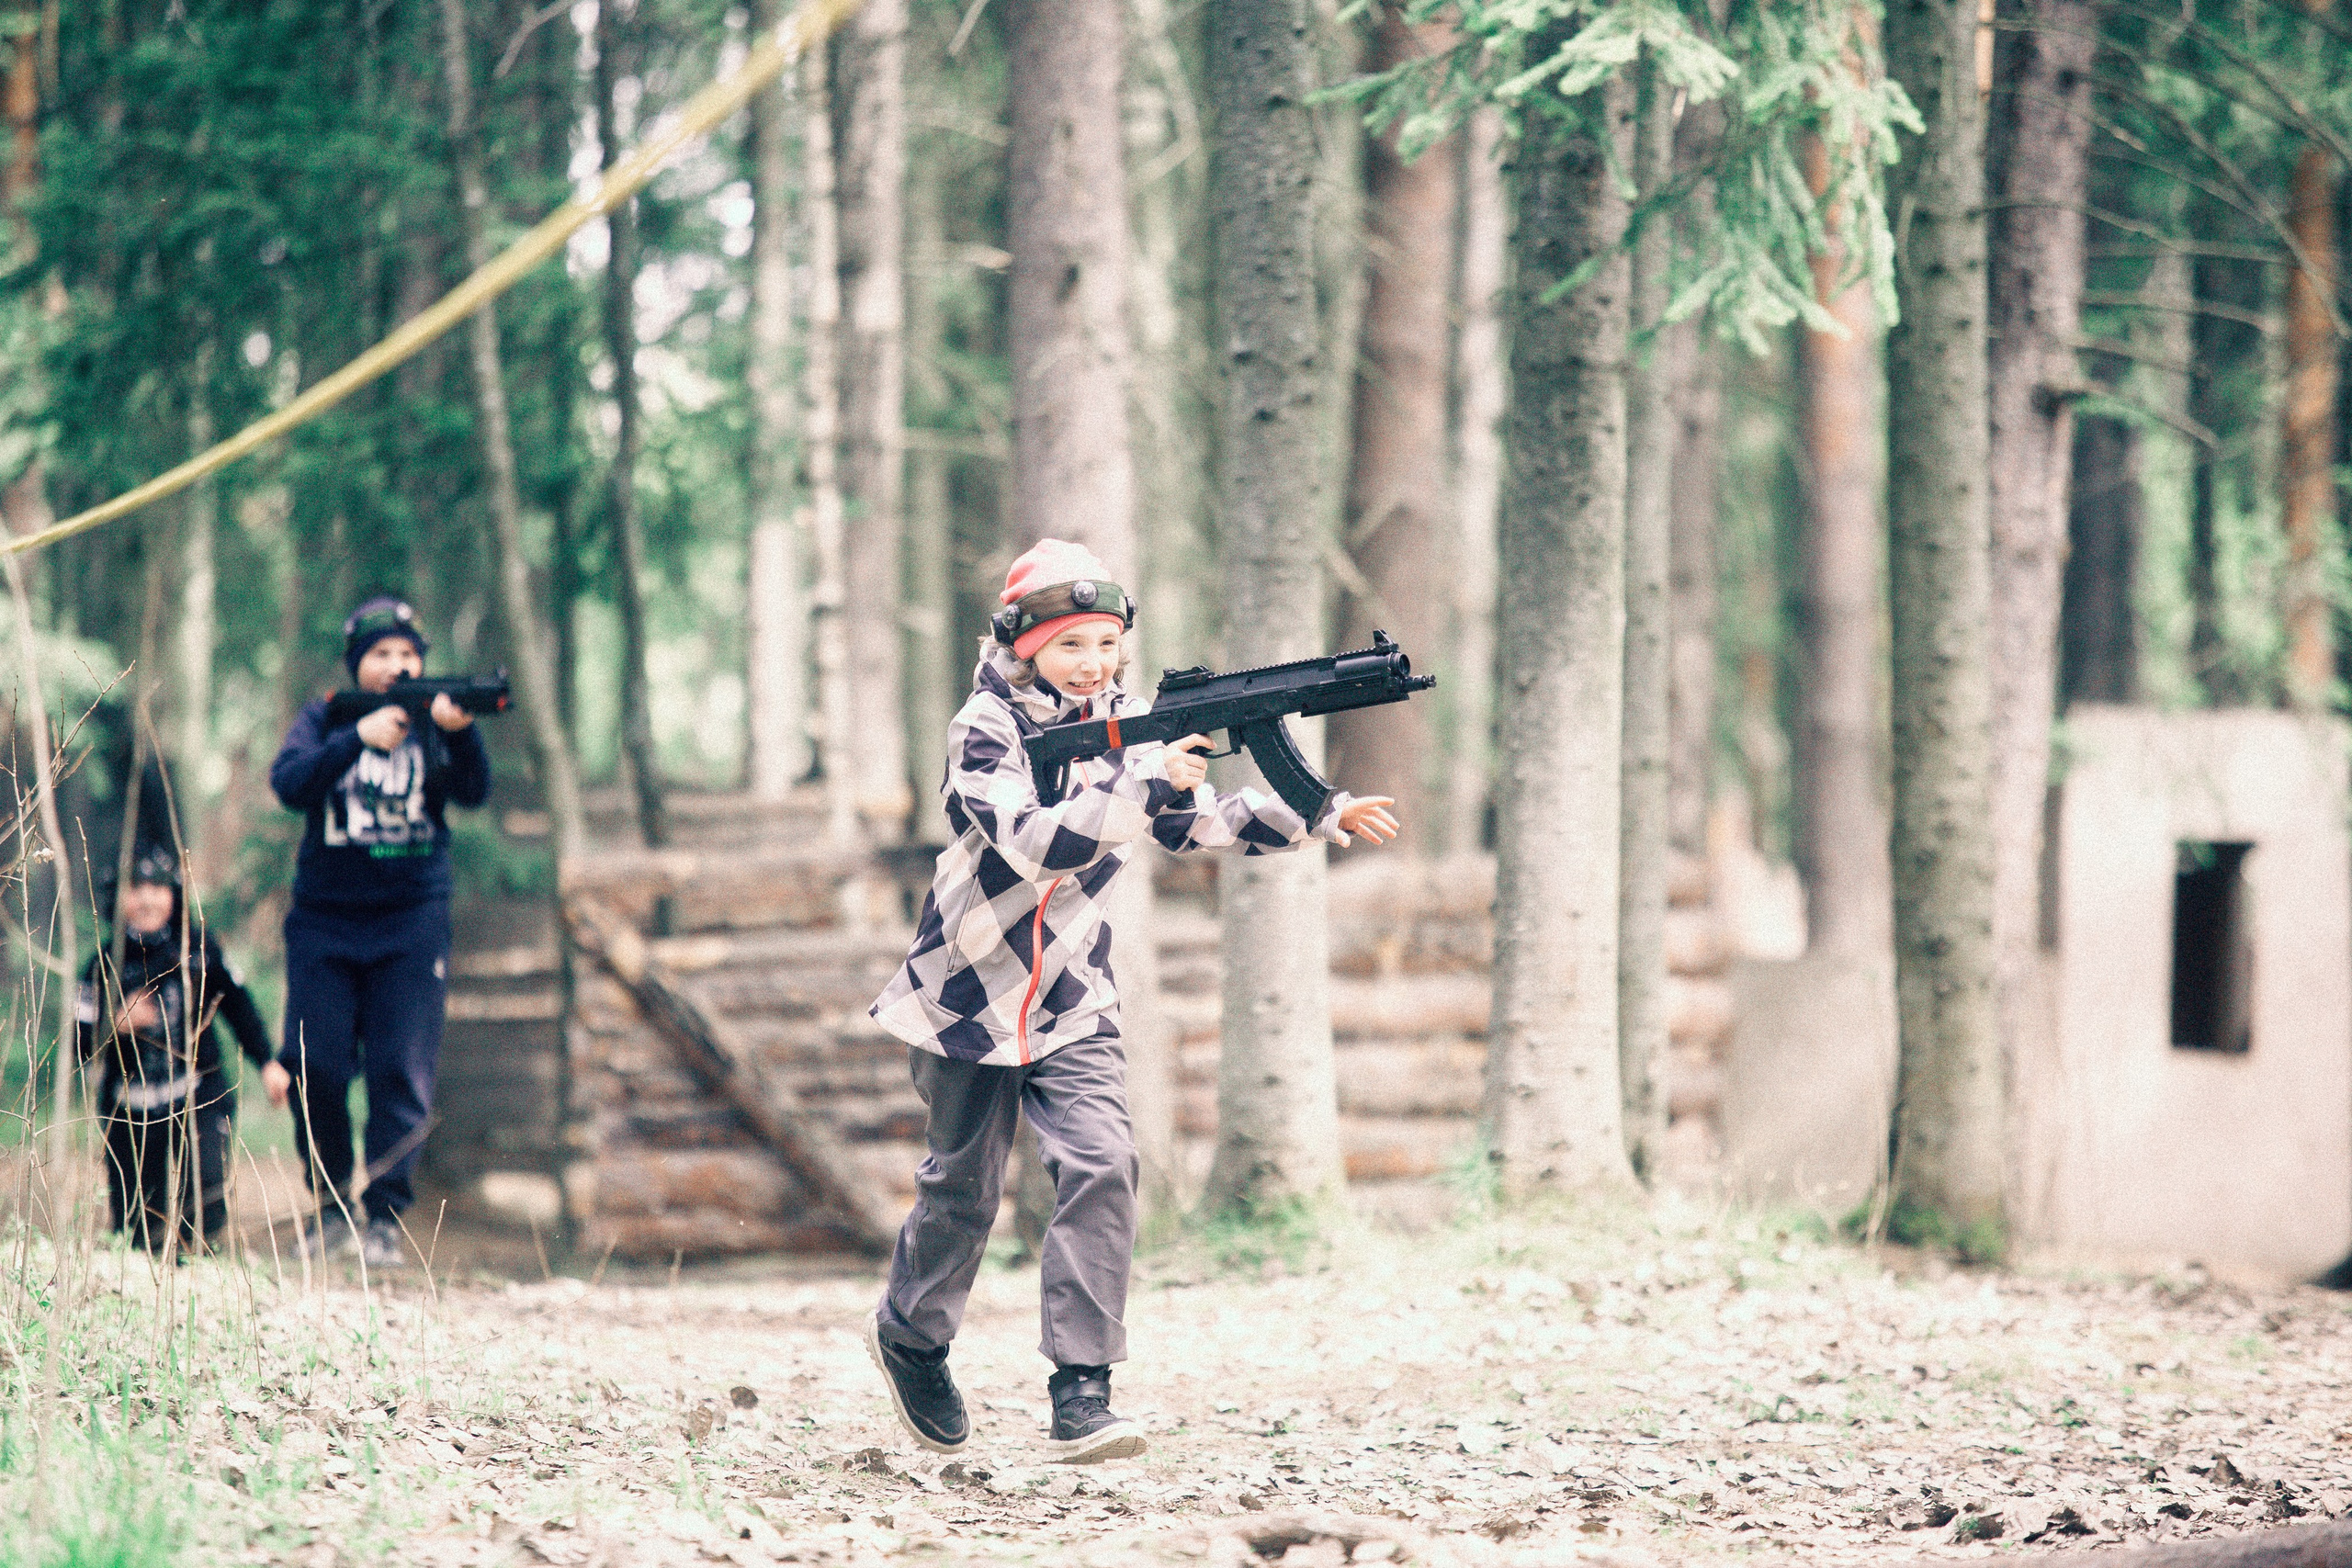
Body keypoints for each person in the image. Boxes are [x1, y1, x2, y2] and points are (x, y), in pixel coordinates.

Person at [865, 539, 1401, 1463]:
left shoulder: (1131, 719)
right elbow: (1034, 841)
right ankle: (911, 1339)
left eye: (1107, 646)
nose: (1094, 665)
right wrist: (1142, 782)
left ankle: (1083, 1390)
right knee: (963, 1192)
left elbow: (1191, 820)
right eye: (1072, 647)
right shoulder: (983, 728)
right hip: (964, 997)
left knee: (1104, 1163)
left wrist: (1316, 812)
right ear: (1025, 646)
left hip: (1074, 995)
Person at [268, 595, 491, 1269]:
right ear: (358, 663)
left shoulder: (437, 718)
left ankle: (384, 1218)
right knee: (320, 1066)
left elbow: (475, 791)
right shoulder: (325, 714)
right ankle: (331, 1207)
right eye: (381, 654)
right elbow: (289, 783)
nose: (396, 665)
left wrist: (458, 731)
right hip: (325, 922)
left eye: (407, 654)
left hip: (412, 921)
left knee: (401, 1069)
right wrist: (355, 740)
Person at [78, 842, 284, 1256]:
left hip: (197, 1094)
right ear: (115, 897)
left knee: (205, 1195)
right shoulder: (101, 964)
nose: (148, 898)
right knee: (137, 1224)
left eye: (159, 887)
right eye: (135, 887)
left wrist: (268, 1062)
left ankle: (200, 1273)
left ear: (175, 894)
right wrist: (114, 1025)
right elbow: (77, 1044)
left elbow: (238, 1006)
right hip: (129, 1107)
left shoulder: (199, 948)